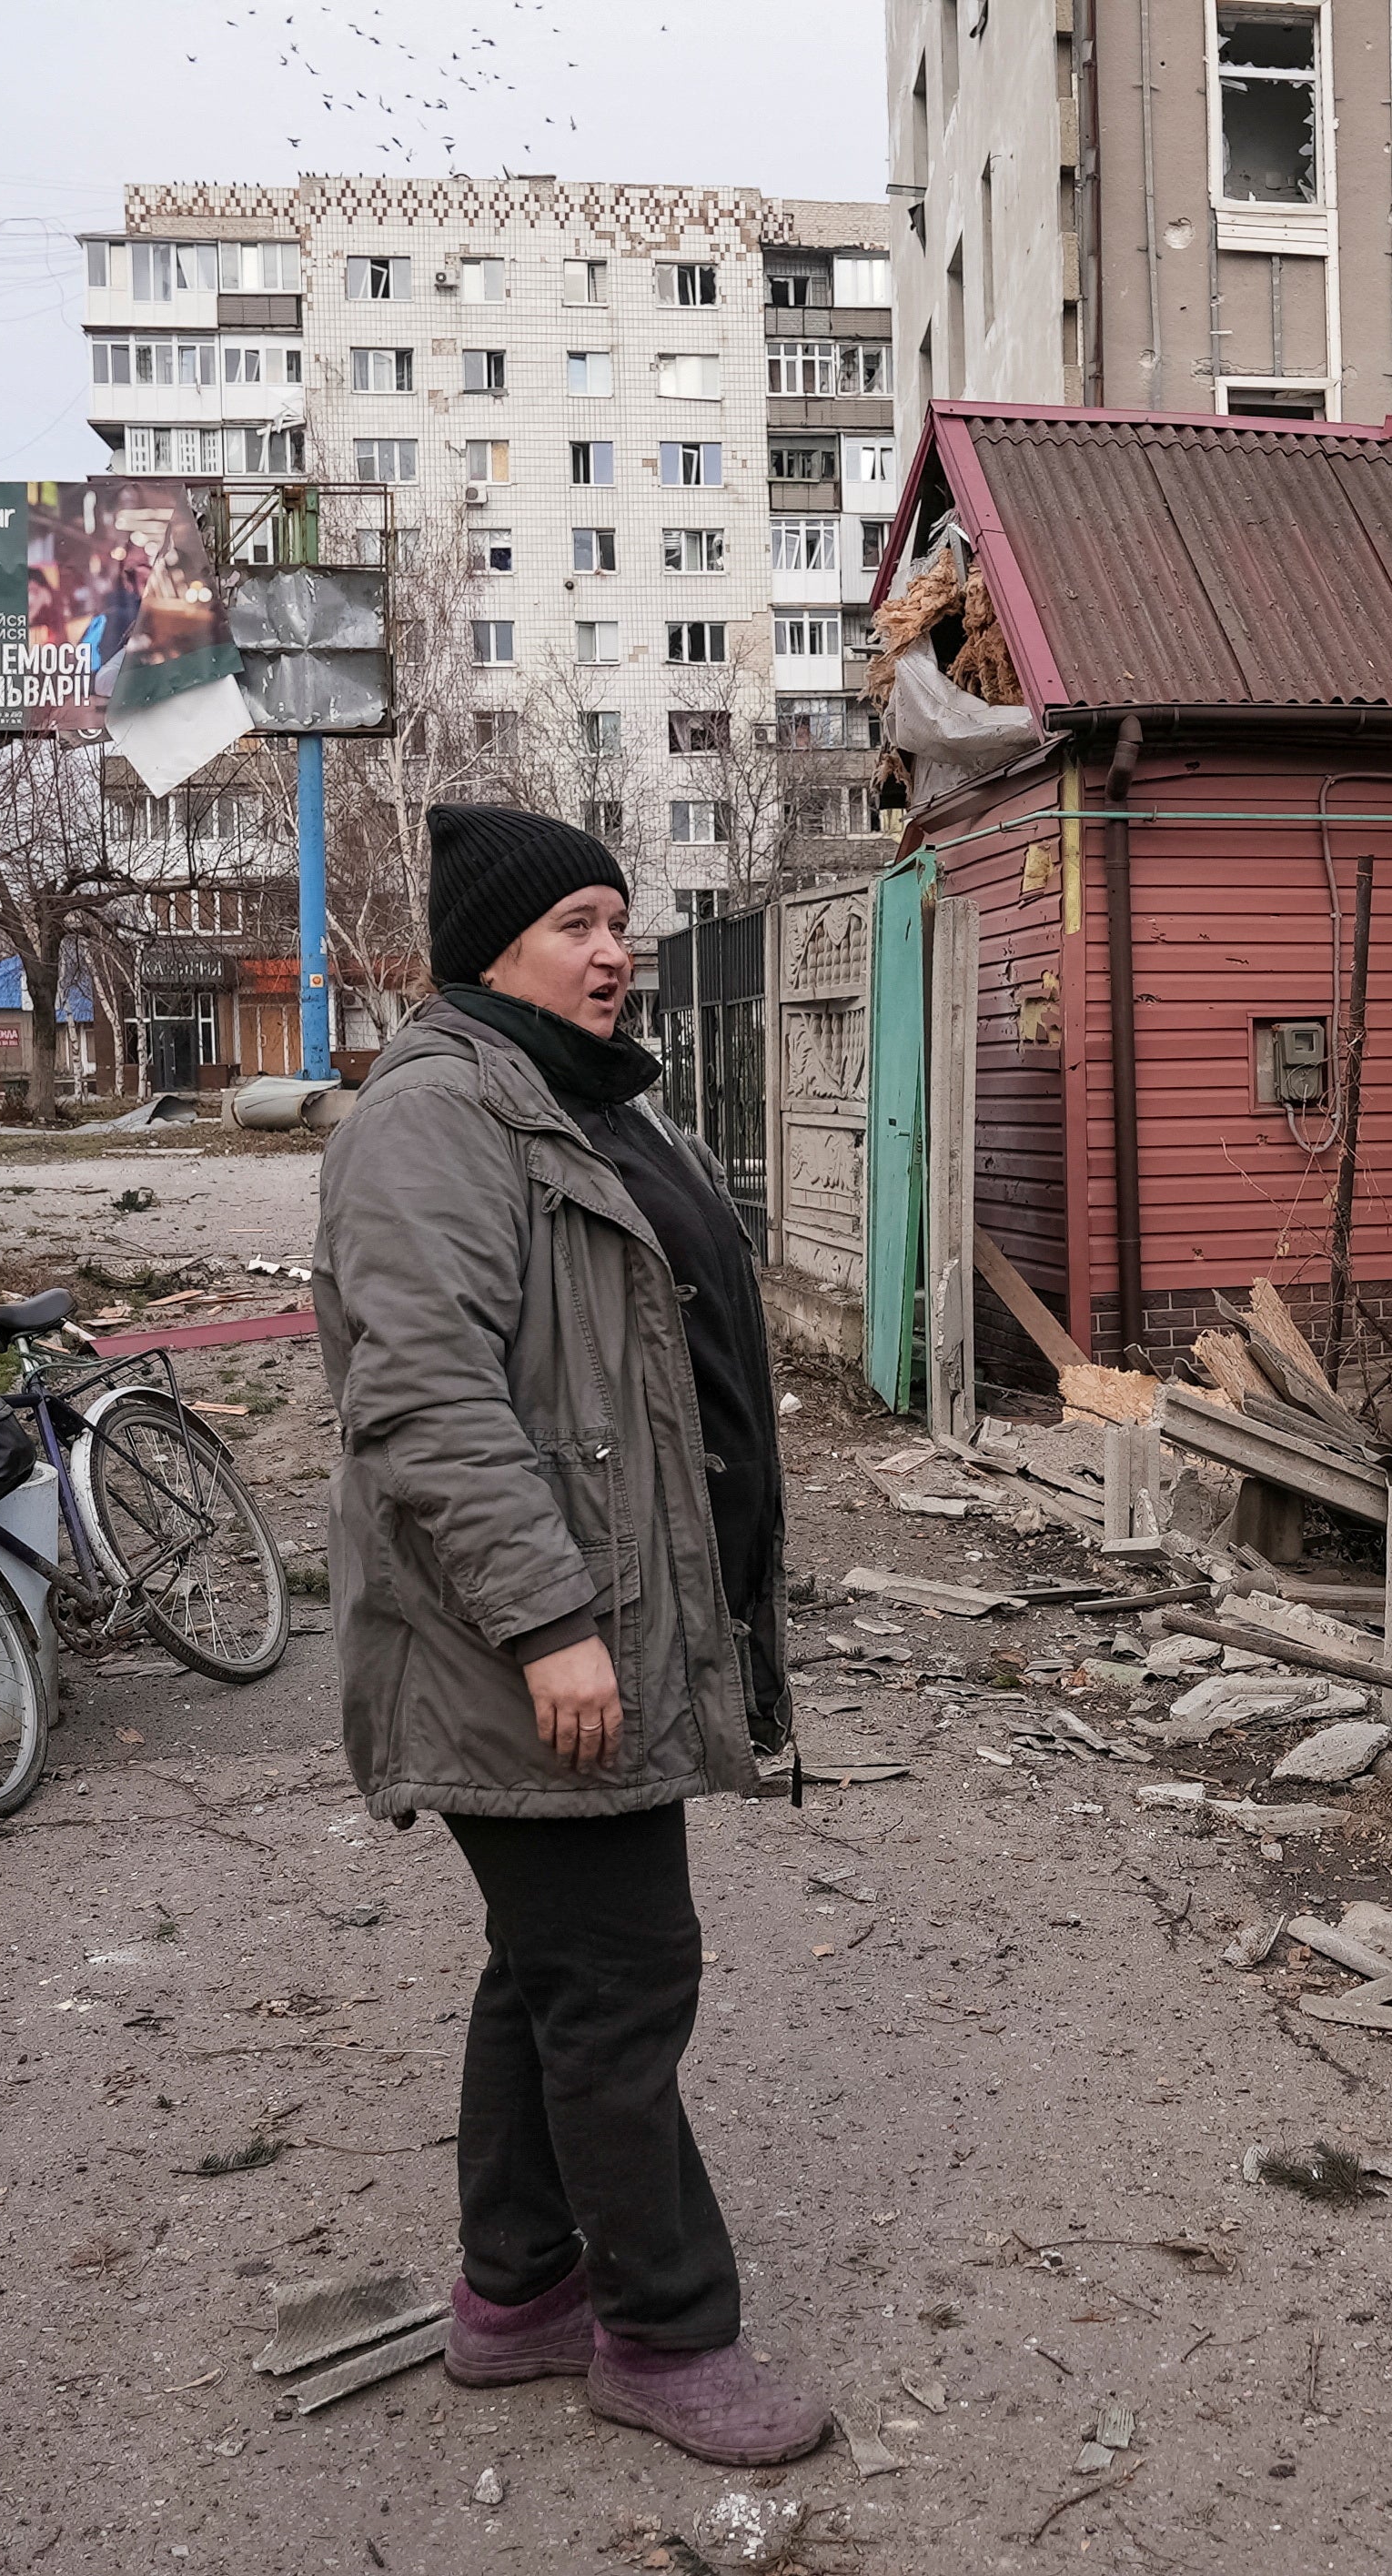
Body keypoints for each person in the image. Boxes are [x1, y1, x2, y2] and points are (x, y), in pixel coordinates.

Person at [312, 803, 821, 2467]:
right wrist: (549, 1621)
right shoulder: (441, 1114)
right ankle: (667, 2333)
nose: (614, 954)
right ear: (489, 949)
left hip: (597, 1621)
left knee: (549, 1972)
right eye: (577, 925)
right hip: (522, 1643)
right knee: (619, 1979)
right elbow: (426, 1396)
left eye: (623, 922)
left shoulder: (558, 1096)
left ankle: (515, 2292)